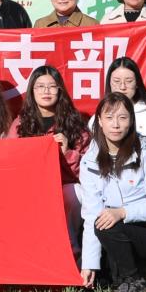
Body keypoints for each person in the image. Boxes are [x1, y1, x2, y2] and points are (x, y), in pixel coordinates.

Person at [77, 93, 146, 292]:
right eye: (109, 117)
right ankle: (111, 271)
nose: (116, 124)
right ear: (99, 121)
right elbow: (91, 214)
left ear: (131, 121)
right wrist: (89, 264)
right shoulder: (89, 160)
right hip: (115, 225)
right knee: (86, 263)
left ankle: (134, 280)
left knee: (106, 227)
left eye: (122, 117)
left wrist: (122, 212)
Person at [13, 65, 92, 250]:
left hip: (63, 188)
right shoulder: (20, 124)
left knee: (72, 193)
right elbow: (10, 160)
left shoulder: (75, 123)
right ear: (32, 91)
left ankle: (71, 248)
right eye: (40, 86)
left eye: (52, 86)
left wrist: (67, 153)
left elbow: (88, 171)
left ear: (60, 90)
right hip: (30, 188)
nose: (46, 91)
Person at [105, 56, 146, 163]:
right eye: (116, 81)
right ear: (109, 83)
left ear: (137, 83)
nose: (122, 87)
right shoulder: (100, 115)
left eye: (129, 81)